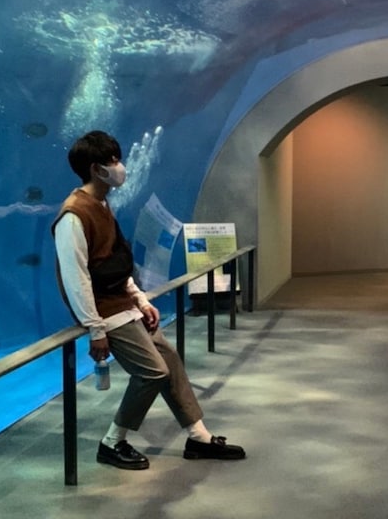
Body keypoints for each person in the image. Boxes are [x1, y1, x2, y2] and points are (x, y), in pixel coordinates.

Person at [51, 130, 245, 470]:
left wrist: (140, 300)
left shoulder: (102, 205)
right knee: (153, 372)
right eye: (112, 161)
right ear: (96, 168)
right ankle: (112, 442)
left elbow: (114, 261)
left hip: (123, 305)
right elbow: (75, 277)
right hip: (105, 312)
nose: (119, 166)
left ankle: (198, 436)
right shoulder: (73, 215)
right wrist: (95, 329)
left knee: (170, 360)